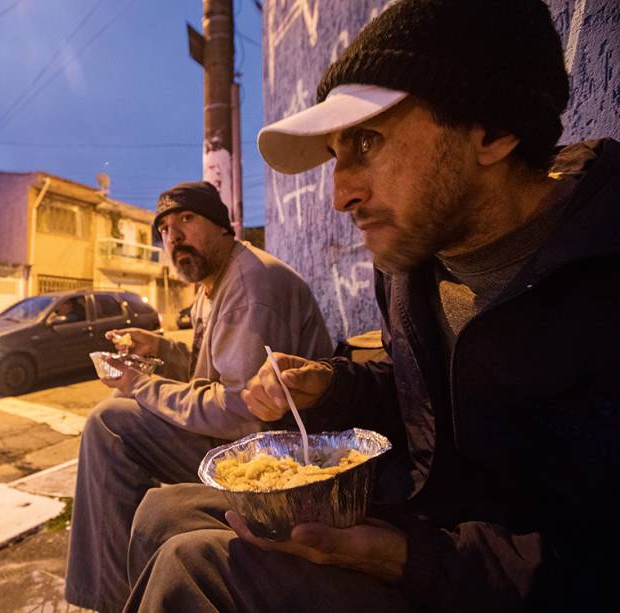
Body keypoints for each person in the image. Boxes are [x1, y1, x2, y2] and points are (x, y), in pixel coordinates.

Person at [122, 1, 620, 611]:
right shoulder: (414, 265)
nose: (340, 195)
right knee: (161, 511)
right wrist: (328, 389)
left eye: (366, 141)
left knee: (189, 567)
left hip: (487, 580)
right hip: (421, 518)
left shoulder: (598, 272)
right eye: (336, 155)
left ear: (491, 129)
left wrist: (407, 557)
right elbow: (417, 396)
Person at [65, 181, 334, 612]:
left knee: (110, 425)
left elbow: (240, 412)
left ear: (223, 226)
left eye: (186, 220)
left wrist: (140, 384)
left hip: (277, 454)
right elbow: (209, 367)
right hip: (245, 436)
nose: (174, 237)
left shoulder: (251, 286)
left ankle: (111, 600)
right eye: (165, 229)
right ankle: (121, 589)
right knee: (115, 419)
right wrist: (157, 347)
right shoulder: (214, 284)